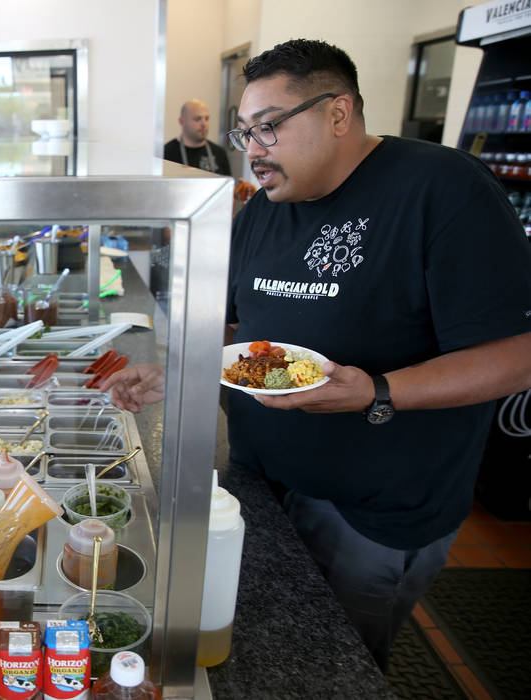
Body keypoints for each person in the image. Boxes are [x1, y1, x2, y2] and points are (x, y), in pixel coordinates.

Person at [105, 39, 531, 671]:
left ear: (339, 113)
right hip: (262, 483)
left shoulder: (441, 189)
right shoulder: (262, 215)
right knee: (261, 652)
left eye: (269, 127)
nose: (252, 149)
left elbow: (516, 356)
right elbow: (243, 336)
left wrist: (376, 391)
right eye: (243, 131)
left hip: (372, 509)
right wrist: (181, 369)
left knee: (335, 664)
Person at [163, 99, 232, 176]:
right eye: (197, 119)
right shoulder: (166, 153)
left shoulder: (219, 153)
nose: (204, 124)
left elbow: (228, 186)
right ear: (182, 121)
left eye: (207, 119)